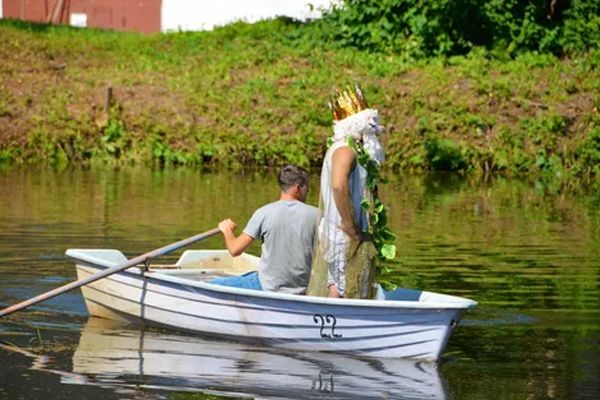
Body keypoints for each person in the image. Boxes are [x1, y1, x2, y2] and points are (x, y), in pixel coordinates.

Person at [307, 85, 385, 298]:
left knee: (337, 288)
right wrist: (349, 224)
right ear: (358, 125)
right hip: (343, 236)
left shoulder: (353, 150)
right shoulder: (345, 150)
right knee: (349, 290)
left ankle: (328, 326)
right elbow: (339, 185)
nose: (375, 130)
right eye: (371, 125)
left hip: (340, 235)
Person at [211, 164, 319, 294]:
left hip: (267, 286)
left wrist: (227, 230)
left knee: (212, 284)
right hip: (301, 288)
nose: (308, 191)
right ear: (298, 188)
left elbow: (234, 250)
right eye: (307, 187)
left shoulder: (264, 213)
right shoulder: (317, 215)